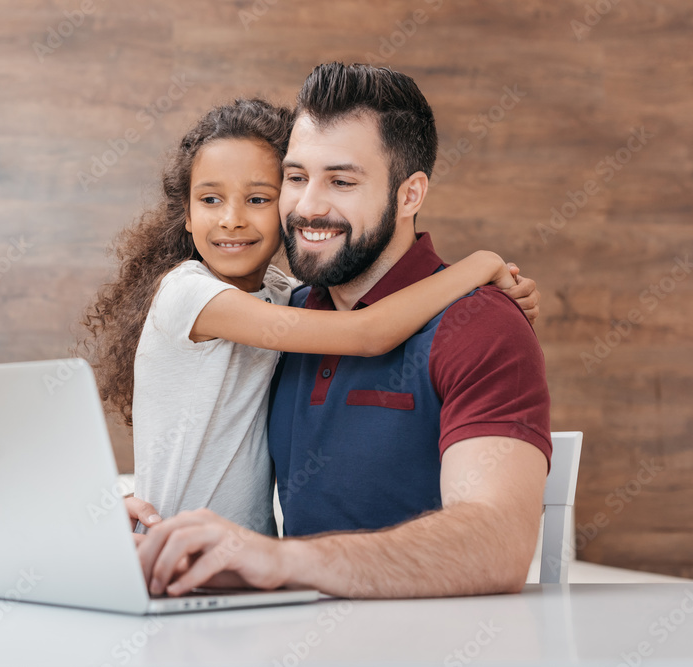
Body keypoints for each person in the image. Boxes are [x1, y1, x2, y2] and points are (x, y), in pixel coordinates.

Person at [131, 63, 552, 600]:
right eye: (297, 177)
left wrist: (279, 559)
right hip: (273, 630)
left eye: (342, 181)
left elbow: (497, 545)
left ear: (409, 195)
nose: (307, 206)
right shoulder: (287, 315)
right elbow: (195, 433)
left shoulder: (482, 325)